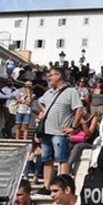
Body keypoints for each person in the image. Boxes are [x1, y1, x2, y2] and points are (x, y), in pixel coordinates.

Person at [38, 66, 83, 195]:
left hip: (60, 131)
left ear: (58, 75)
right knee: (46, 159)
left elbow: (79, 109)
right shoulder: (49, 93)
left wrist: (73, 128)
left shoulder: (71, 92)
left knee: (62, 158)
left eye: (51, 75)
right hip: (46, 131)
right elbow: (40, 102)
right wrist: (43, 111)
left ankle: (63, 186)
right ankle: (47, 186)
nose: (49, 77)